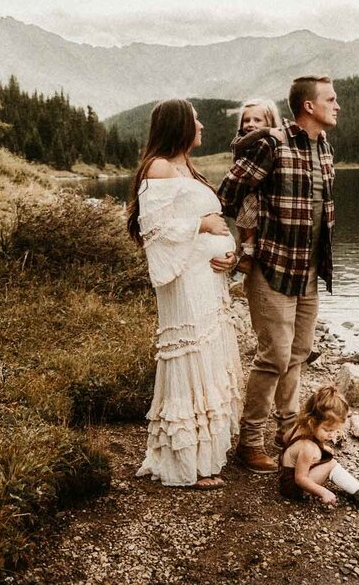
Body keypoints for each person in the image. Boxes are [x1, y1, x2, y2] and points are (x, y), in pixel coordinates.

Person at [218, 75, 339, 473]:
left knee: (299, 353)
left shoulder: (323, 146)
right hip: (272, 267)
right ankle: (249, 442)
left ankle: (289, 430)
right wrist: (239, 240)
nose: (337, 106)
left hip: (308, 270)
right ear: (309, 106)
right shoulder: (272, 143)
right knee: (273, 356)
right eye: (331, 99)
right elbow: (228, 191)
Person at [127, 99, 243, 489]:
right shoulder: (158, 167)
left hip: (206, 281)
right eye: (195, 120)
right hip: (184, 282)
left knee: (210, 355)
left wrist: (229, 252)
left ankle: (204, 455)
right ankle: (184, 463)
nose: (202, 126)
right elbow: (154, 231)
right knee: (191, 354)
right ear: (179, 125)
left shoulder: (184, 167)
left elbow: (211, 225)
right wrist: (203, 224)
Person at [277, 385, 359, 507]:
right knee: (331, 464)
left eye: (336, 430)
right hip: (294, 488)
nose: (332, 435)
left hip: (285, 476)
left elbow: (286, 438)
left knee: (325, 454)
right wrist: (323, 492)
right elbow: (300, 479)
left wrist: (293, 457)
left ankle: (355, 486)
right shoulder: (307, 448)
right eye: (328, 430)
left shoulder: (300, 426)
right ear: (312, 422)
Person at [229, 98, 284, 275]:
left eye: (257, 120)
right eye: (247, 120)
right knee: (245, 220)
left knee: (248, 219)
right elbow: (239, 146)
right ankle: (246, 253)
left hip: (261, 191)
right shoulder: (241, 140)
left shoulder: (270, 142)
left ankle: (247, 254)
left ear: (271, 122)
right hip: (247, 189)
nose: (251, 124)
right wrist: (266, 131)